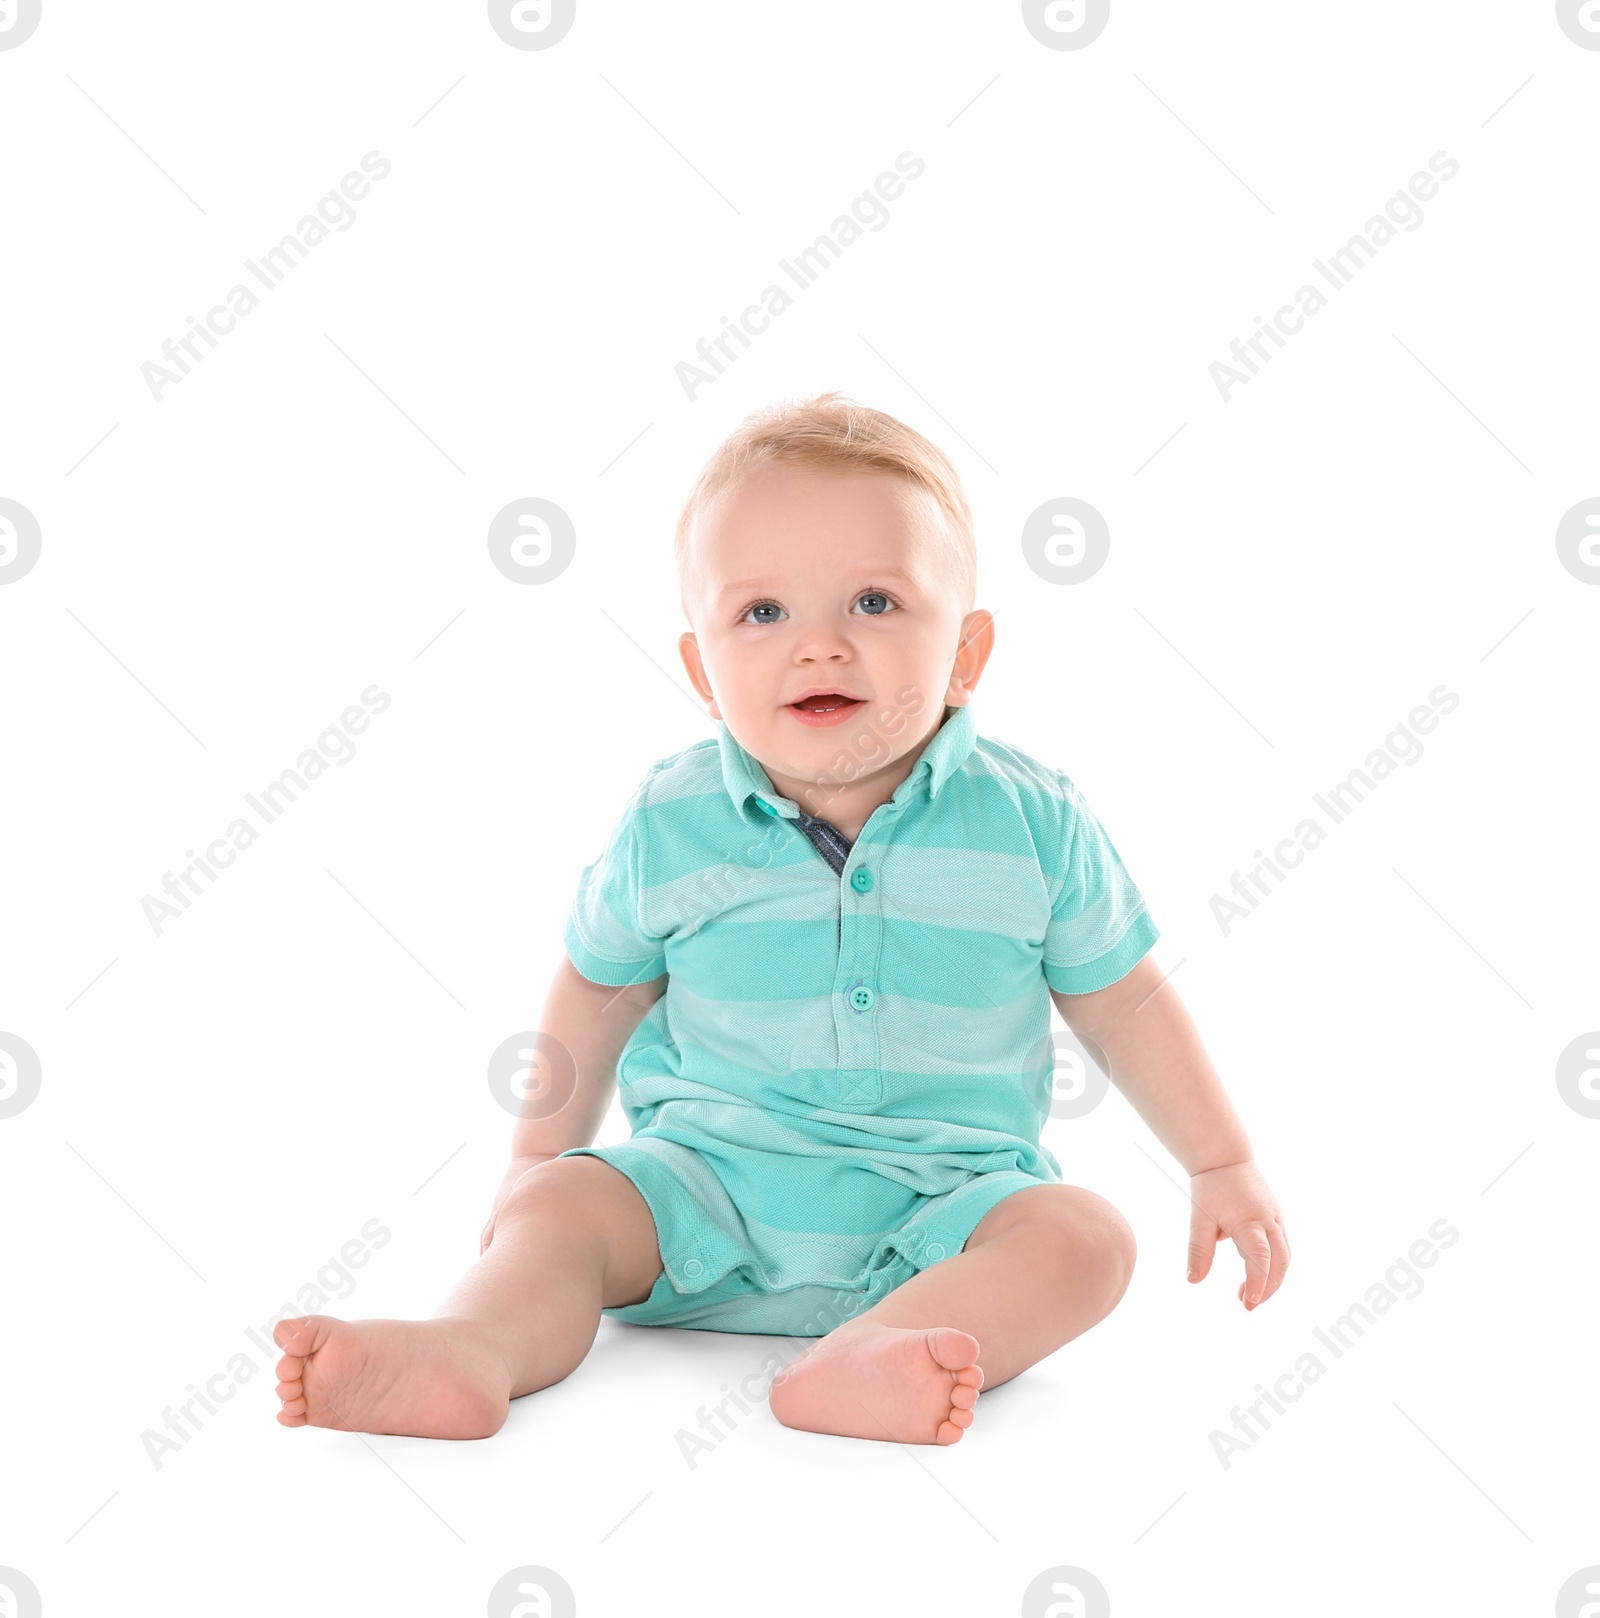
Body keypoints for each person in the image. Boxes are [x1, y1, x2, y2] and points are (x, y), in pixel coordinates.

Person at [273, 391, 1289, 1445]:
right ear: (702, 670)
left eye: (876, 603)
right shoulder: (672, 819)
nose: (819, 647)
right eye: (763, 614)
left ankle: (874, 1355)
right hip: (697, 1197)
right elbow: (597, 987)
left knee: (1085, 1238)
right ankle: (469, 1349)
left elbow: (1123, 1001)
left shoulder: (1029, 821)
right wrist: (537, 1156)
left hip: (943, 1211)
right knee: (561, 1214)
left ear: (968, 652)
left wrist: (1219, 1160)